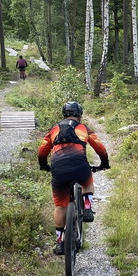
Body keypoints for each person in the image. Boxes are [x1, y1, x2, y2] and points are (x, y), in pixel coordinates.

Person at [37, 101, 109, 255]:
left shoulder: (54, 129)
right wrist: (104, 163)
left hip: (59, 169)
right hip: (79, 165)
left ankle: (59, 243)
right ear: (80, 115)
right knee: (87, 182)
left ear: (64, 114)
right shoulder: (84, 128)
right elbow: (99, 147)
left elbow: (42, 150)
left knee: (60, 206)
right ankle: (88, 208)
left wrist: (43, 165)